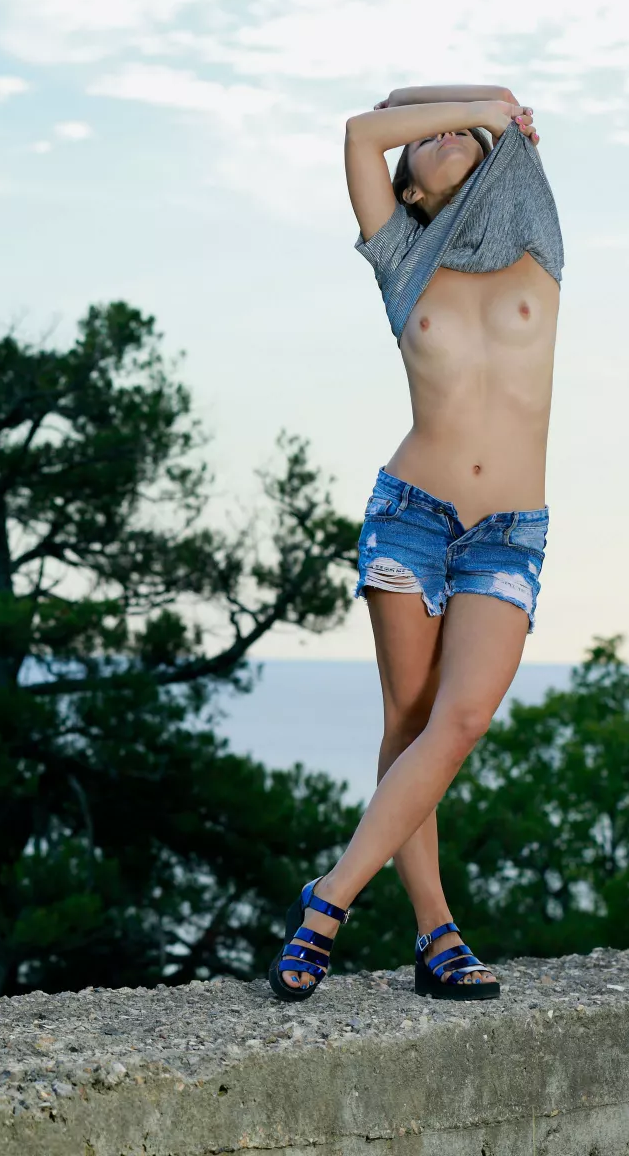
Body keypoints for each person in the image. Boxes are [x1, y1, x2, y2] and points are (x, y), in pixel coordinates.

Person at [267, 85, 560, 1003]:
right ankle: (437, 936)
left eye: (463, 132)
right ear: (408, 191)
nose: (452, 134)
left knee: (460, 720)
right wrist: (470, 108)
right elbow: (366, 126)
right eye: (430, 140)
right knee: (410, 719)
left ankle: (328, 899)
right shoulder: (400, 253)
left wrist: (487, 109)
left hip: (508, 533)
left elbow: (470, 106)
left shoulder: (531, 228)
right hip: (412, 515)